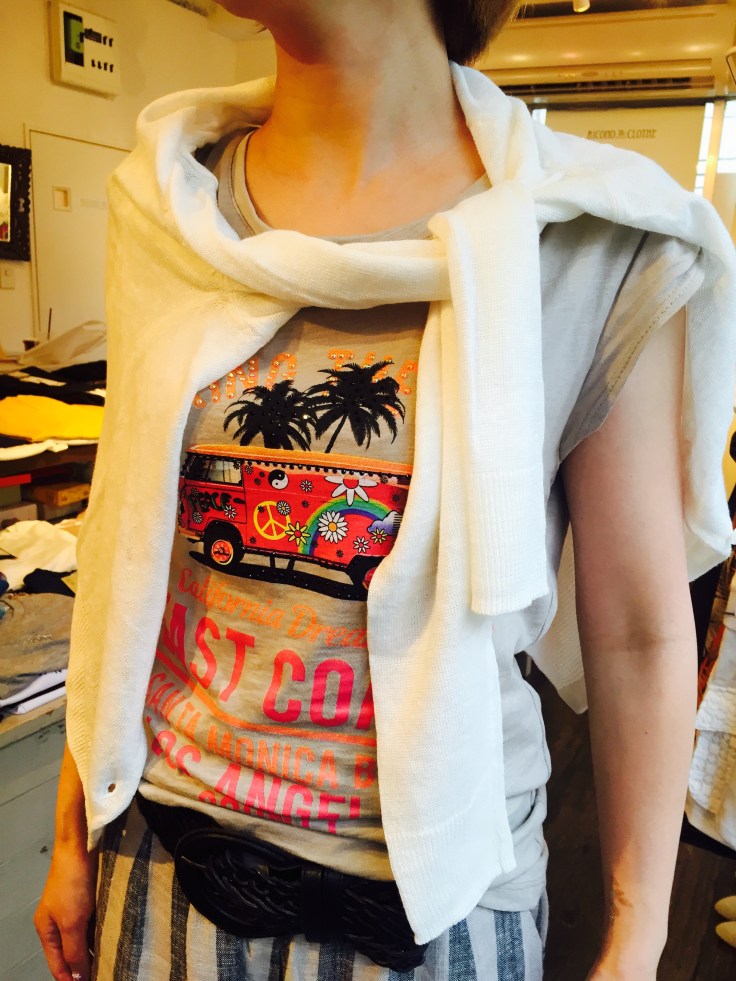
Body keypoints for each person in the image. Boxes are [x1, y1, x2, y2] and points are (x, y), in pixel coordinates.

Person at [34, 1, 736, 979]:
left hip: (444, 902)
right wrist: (74, 830)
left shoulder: (590, 234)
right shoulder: (166, 204)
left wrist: (635, 935)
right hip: (160, 863)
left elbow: (633, 631)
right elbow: (123, 558)